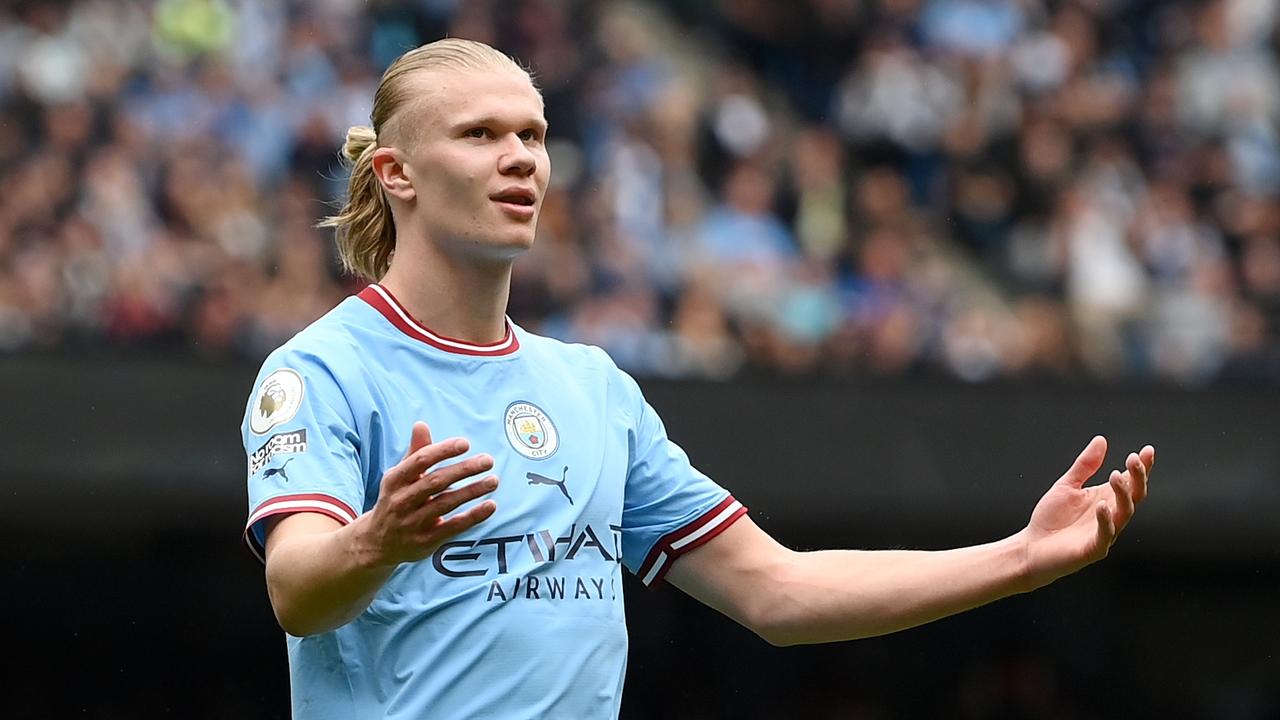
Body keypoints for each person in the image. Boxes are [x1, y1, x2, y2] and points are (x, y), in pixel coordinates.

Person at [240, 38, 1155, 719]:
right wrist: (377, 541)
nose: (520, 157)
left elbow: (777, 592)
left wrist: (1018, 559)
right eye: (480, 135)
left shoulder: (592, 390)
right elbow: (297, 590)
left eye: (533, 134)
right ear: (396, 173)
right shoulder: (324, 370)